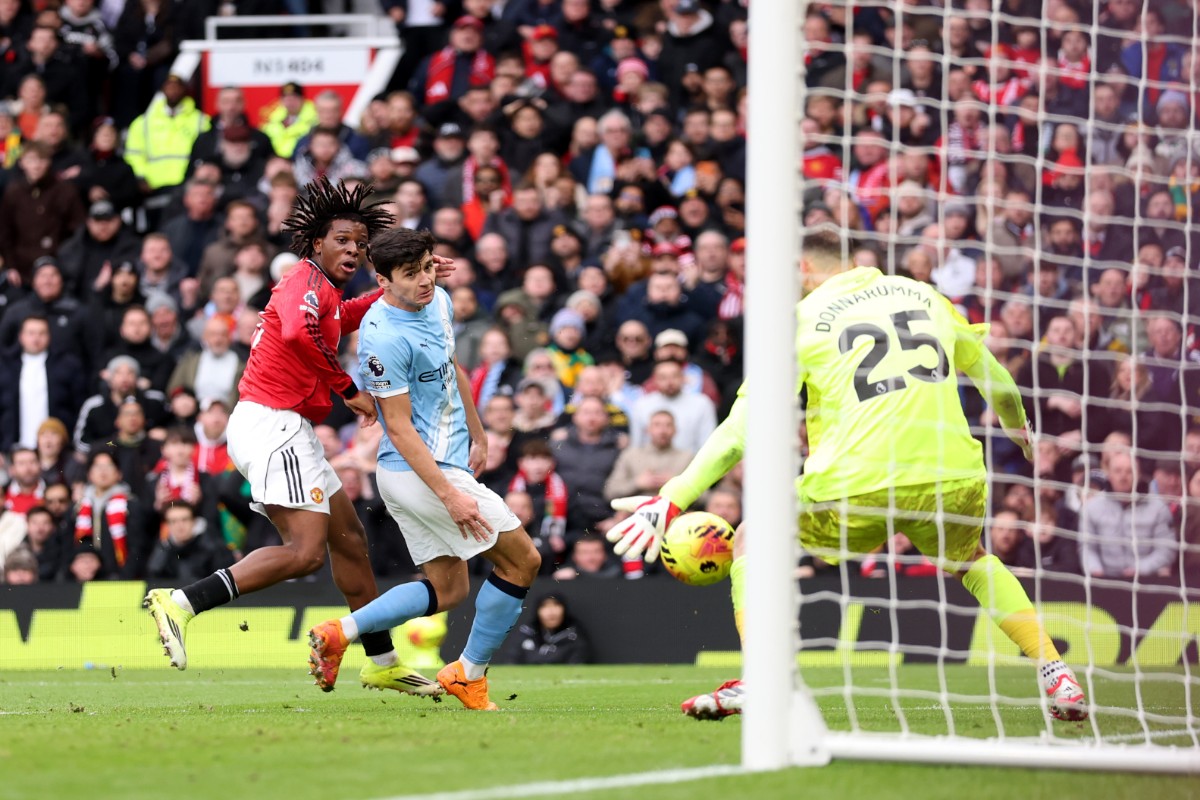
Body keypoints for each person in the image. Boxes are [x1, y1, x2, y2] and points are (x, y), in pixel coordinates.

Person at [607, 228, 1087, 722]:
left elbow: (738, 431)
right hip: (950, 475)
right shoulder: (924, 295)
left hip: (857, 484)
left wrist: (673, 497)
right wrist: (1019, 430)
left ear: (803, 269)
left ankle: (760, 680)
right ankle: (1057, 673)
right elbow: (997, 382)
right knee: (972, 562)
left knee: (752, 538)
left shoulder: (801, 321)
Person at [142, 178, 450, 698]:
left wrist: (400, 283)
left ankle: (381, 661)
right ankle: (181, 602)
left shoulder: (323, 292)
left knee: (350, 541)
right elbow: (297, 334)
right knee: (305, 553)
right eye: (342, 240)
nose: (353, 250)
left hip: (287, 427)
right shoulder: (302, 280)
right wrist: (348, 389)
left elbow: (341, 319)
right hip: (271, 424)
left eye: (360, 244)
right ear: (316, 243)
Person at [307, 227, 541, 712]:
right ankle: (468, 675)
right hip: (422, 473)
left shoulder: (440, 301)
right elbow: (397, 427)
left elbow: (452, 369)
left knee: (450, 588)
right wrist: (450, 494)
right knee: (523, 561)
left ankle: (340, 632)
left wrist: (478, 432)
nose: (425, 280)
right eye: (411, 274)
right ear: (382, 280)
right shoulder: (382, 338)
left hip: (427, 472)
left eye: (429, 267)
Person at [505, 593, 592, 664]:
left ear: (564, 609)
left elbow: (577, 664)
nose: (551, 612)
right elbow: (512, 660)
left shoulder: (574, 635)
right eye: (544, 606)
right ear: (538, 611)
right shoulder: (527, 632)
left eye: (556, 605)